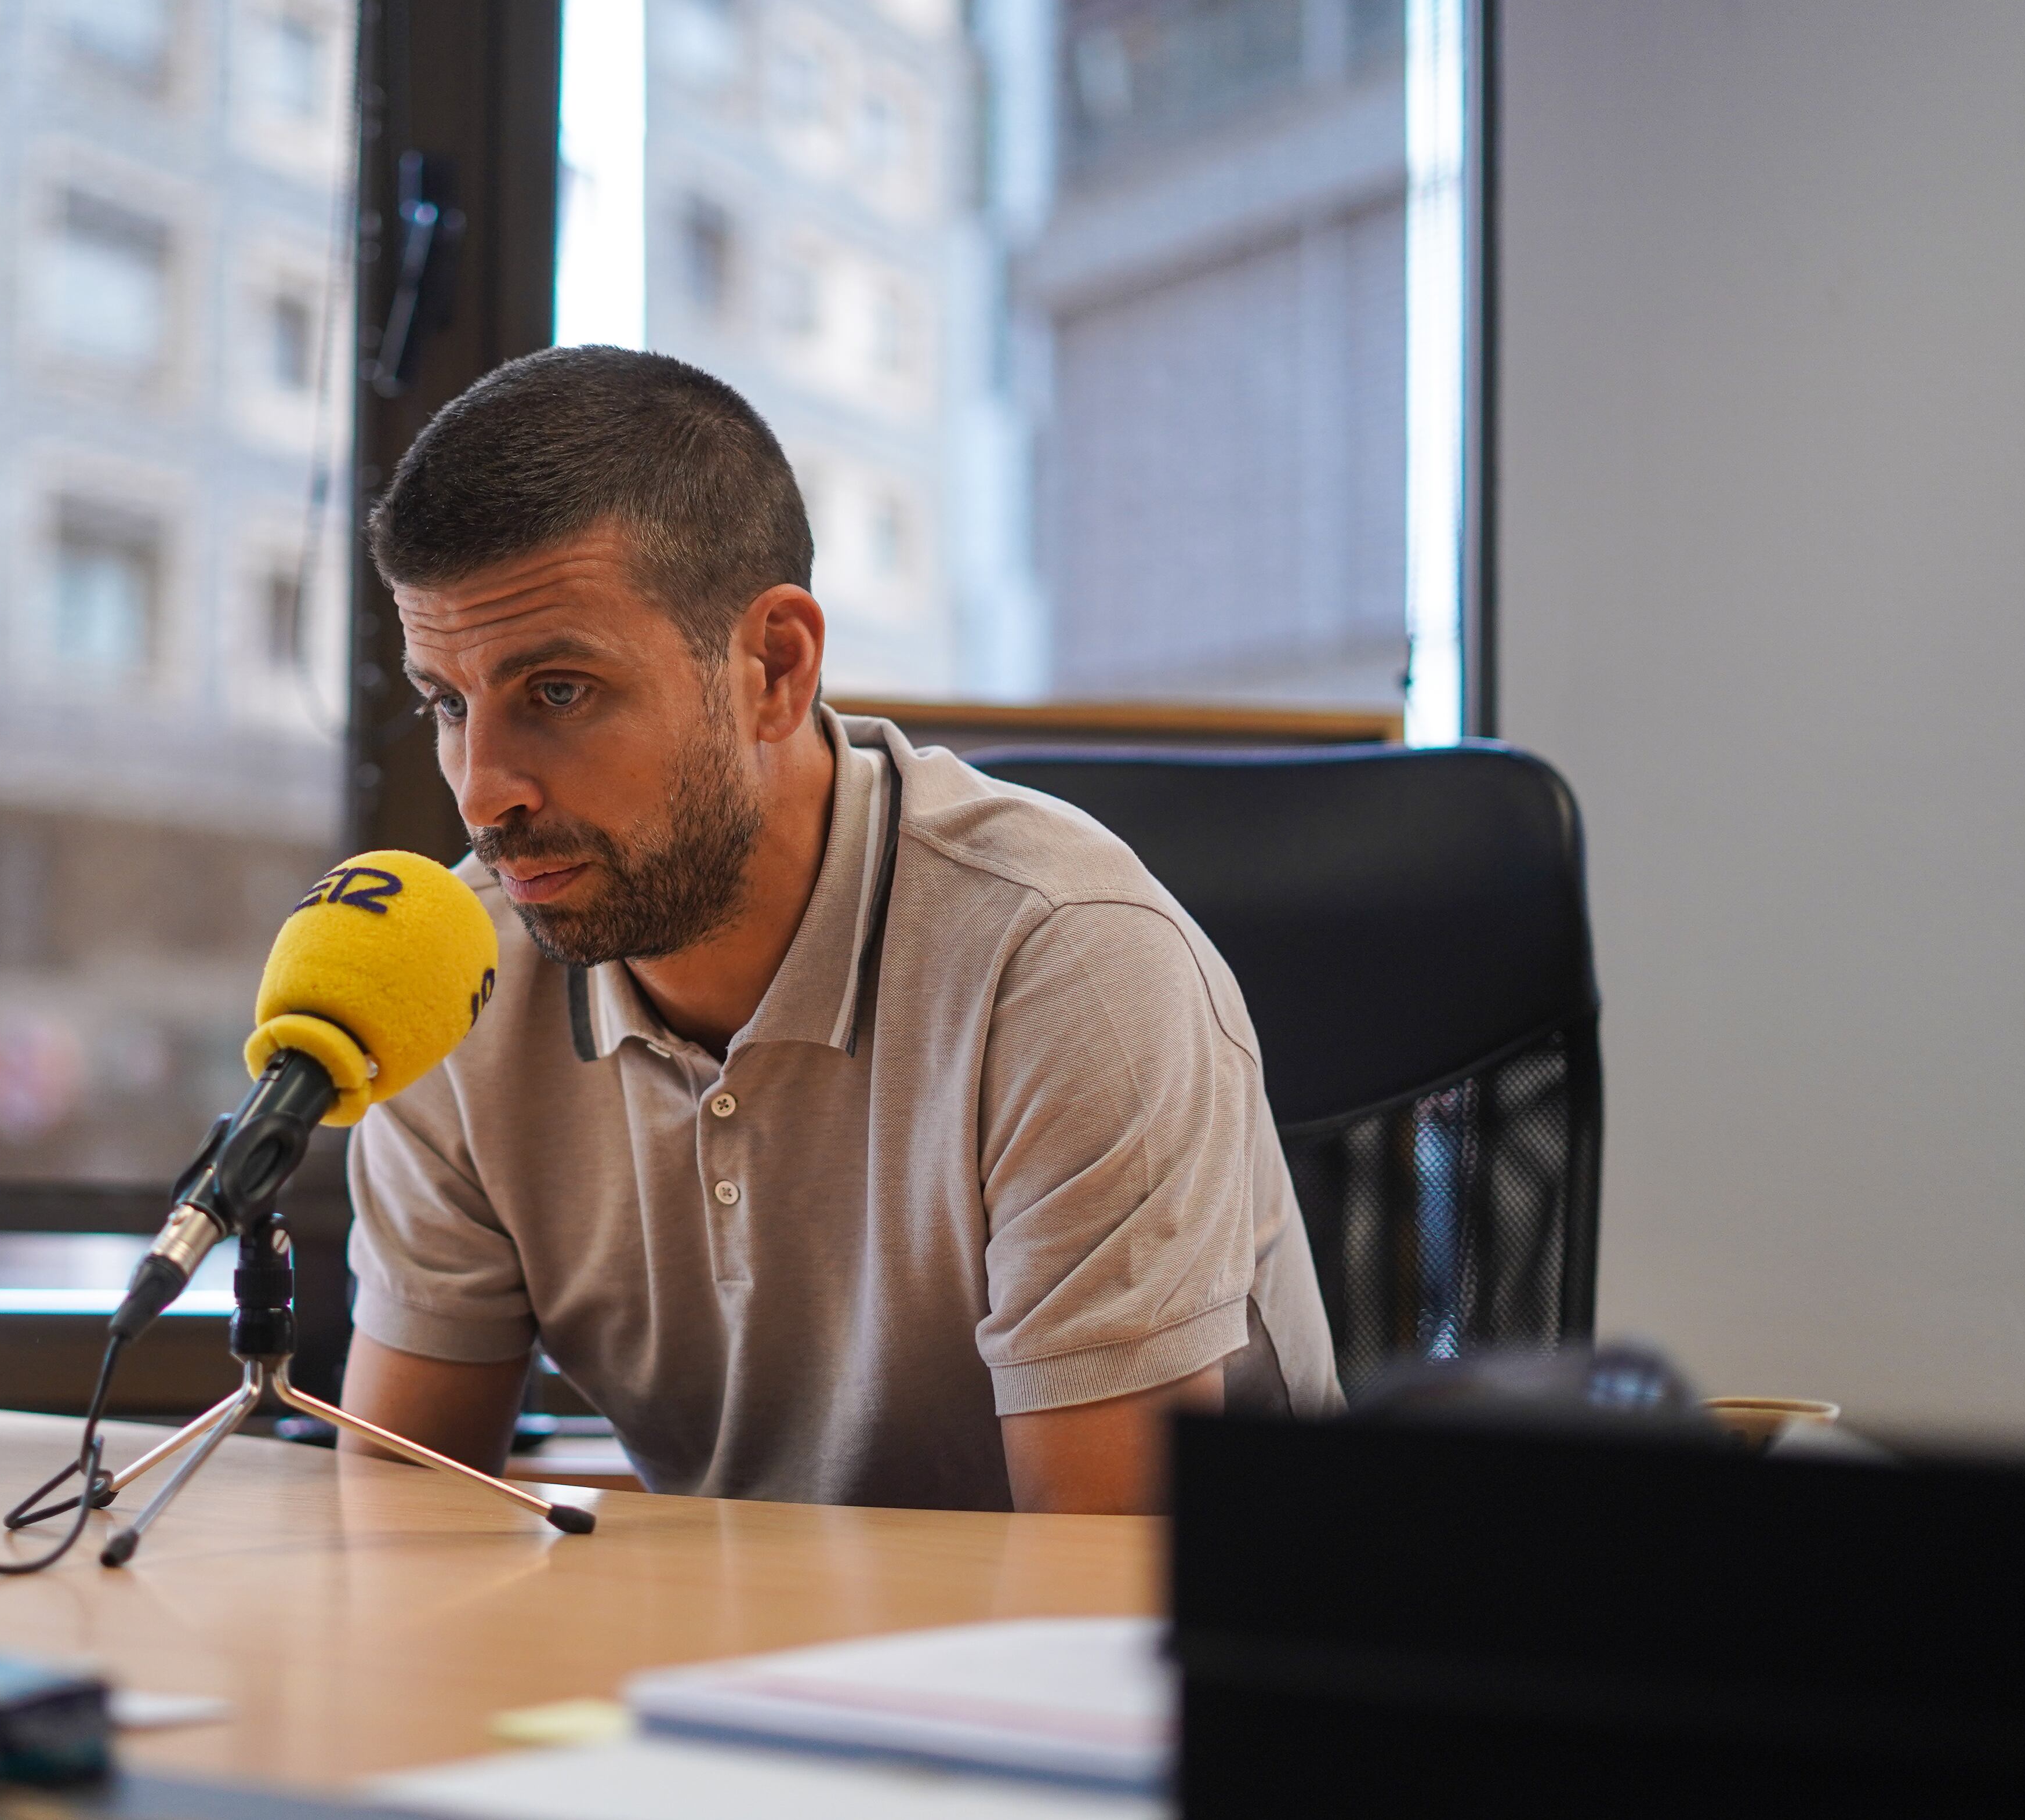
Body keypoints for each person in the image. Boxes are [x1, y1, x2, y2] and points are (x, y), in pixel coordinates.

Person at [338, 346, 1341, 1513]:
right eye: (448, 705)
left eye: (558, 690)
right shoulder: (450, 968)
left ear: (774, 665)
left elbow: (1096, 1602)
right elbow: (405, 1520)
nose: (480, 793)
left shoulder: (1066, 960)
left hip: (1171, 1670)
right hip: (732, 1658)